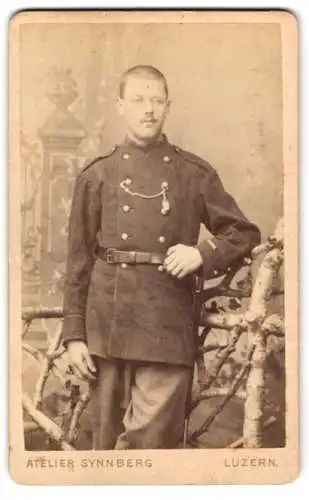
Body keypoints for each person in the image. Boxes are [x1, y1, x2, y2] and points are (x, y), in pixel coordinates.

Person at [62, 65, 261, 450]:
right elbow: (79, 262)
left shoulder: (193, 174)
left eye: (156, 100)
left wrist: (202, 252)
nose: (148, 109)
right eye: (138, 100)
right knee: (102, 451)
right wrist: (73, 336)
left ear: (168, 106)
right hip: (106, 327)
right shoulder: (96, 175)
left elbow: (244, 233)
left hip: (165, 327)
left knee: (148, 449)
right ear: (121, 106)